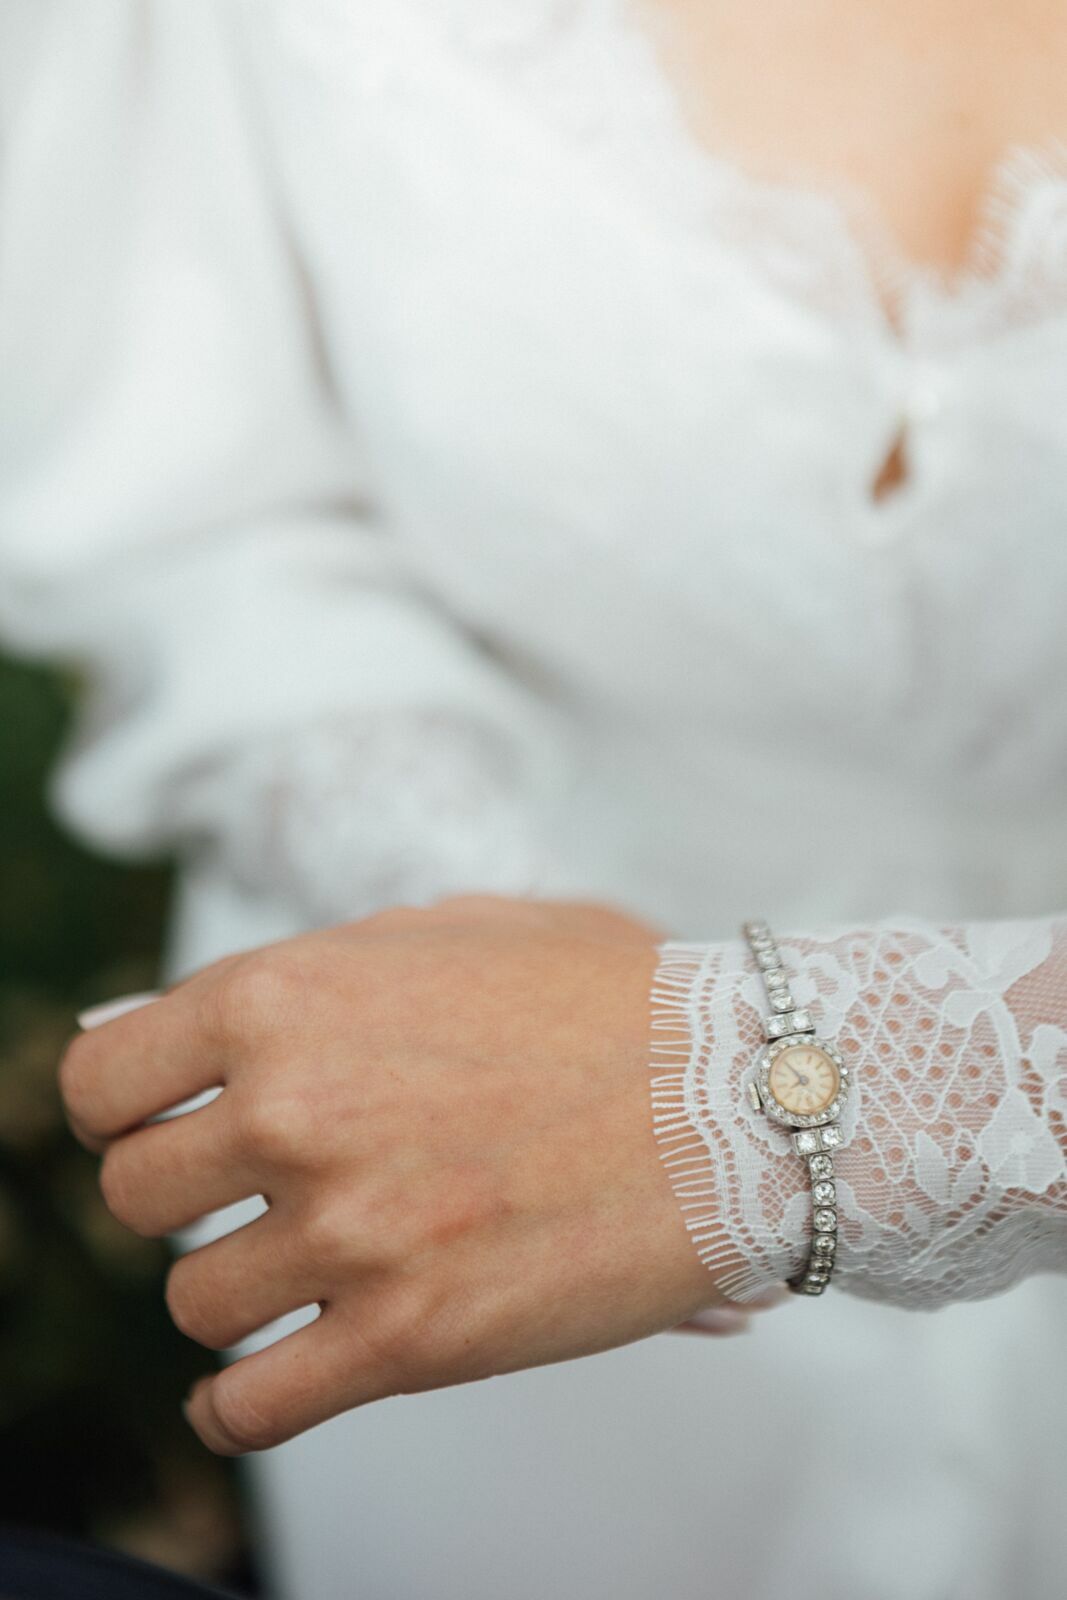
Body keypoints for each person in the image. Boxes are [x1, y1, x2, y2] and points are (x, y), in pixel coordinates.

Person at [2, 2, 1066, 1597]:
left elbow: (743, 1098)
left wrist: (764, 1101)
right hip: (475, 1157)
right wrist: (477, 916)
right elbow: (188, 515)